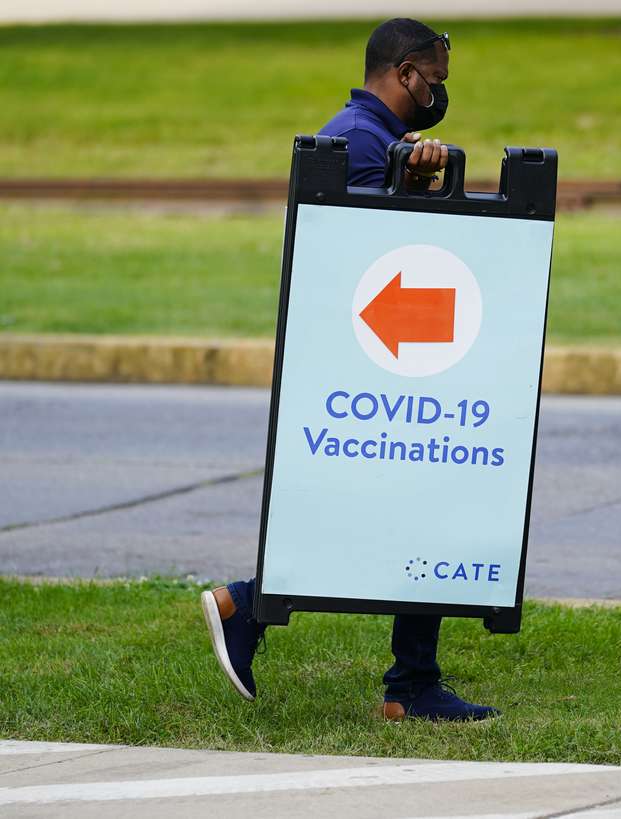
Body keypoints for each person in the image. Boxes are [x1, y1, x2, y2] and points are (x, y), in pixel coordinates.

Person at [200, 18, 497, 723]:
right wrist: (410, 178)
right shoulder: (360, 140)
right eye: (436, 80)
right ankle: (395, 676)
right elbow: (371, 256)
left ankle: (270, 614)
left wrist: (414, 177)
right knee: (418, 512)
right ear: (403, 74)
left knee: (397, 516)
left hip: (383, 364)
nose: (439, 93)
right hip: (380, 369)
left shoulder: (372, 139)